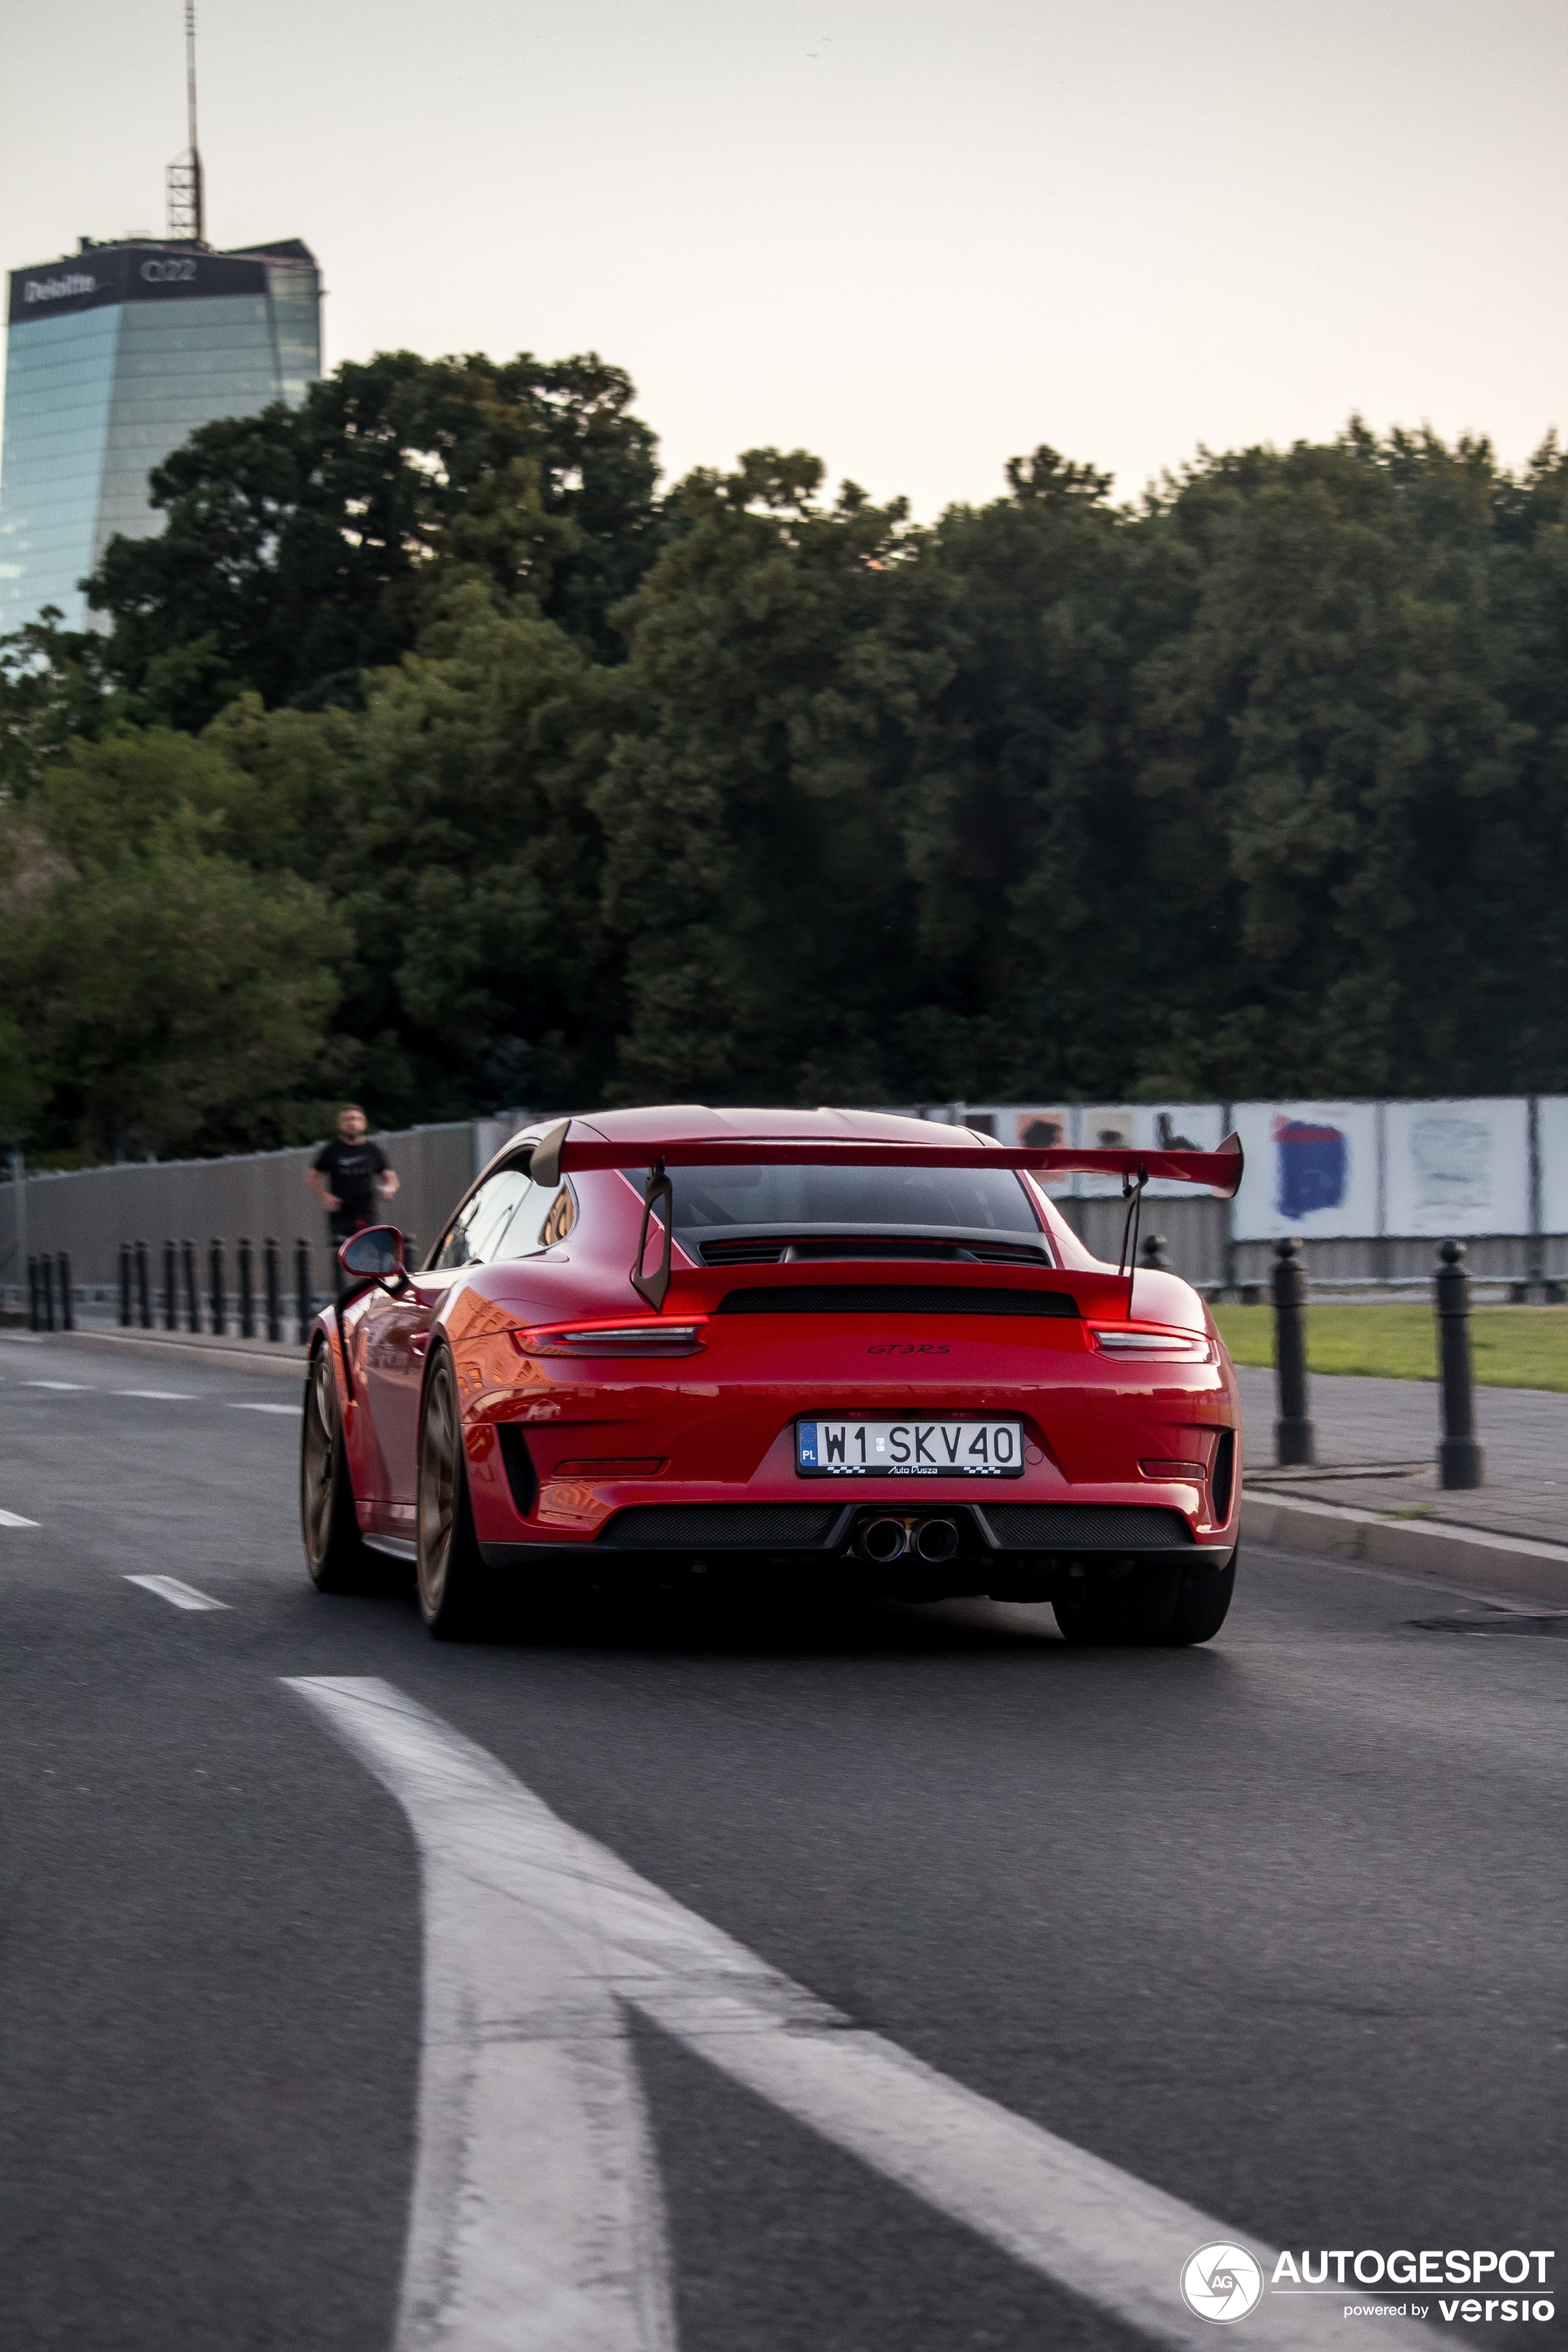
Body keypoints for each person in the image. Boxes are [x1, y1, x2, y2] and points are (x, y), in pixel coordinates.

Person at [307, 1106, 399, 1255]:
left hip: (366, 1213)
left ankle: (366, 1279)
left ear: (364, 1123)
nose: (352, 1123)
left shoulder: (372, 1150)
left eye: (356, 1119)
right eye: (347, 1119)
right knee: (343, 1258)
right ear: (340, 1124)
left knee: (368, 1256)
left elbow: (391, 1177)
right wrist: (325, 1196)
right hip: (340, 1215)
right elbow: (312, 1176)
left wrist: (389, 1189)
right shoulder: (332, 1150)